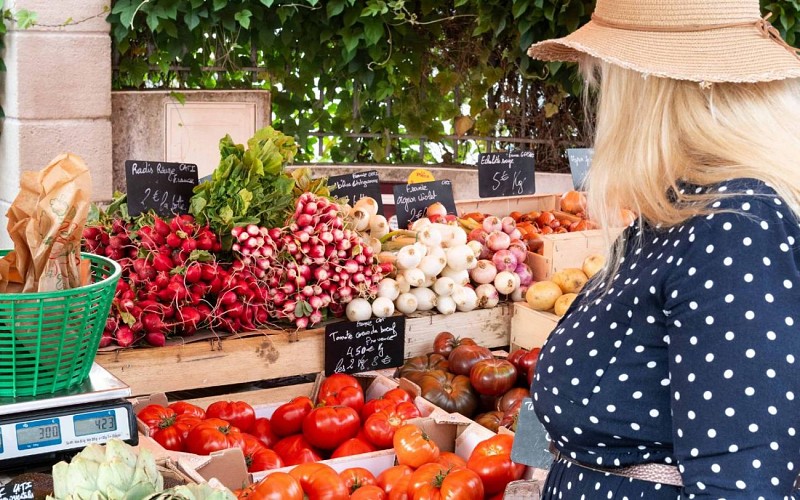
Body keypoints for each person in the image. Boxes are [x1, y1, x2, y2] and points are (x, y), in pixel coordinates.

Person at [523, 0, 800, 497]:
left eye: (607, 78)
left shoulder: (734, 228)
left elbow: (741, 484)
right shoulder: (683, 210)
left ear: (648, 92)